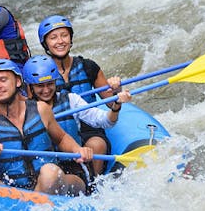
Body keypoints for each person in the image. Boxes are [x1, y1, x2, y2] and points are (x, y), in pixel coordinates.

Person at [0, 59, 93, 196]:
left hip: (52, 184)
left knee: (50, 172)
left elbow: (62, 138)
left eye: (3, 79)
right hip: (14, 193)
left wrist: (77, 149)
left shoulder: (41, 109)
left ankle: (34, 204)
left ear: (17, 81)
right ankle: (29, 205)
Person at [22, 55, 131, 187]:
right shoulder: (23, 110)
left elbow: (105, 121)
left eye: (50, 84)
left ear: (55, 82)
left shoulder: (71, 100)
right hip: (41, 170)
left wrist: (116, 106)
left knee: (56, 178)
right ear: (30, 87)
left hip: (73, 168)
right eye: (40, 86)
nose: (46, 90)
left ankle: (91, 187)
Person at [38, 14, 125, 175]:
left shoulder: (88, 67)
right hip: (58, 128)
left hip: (89, 127)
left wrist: (116, 91)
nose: (60, 41)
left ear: (71, 39)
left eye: (64, 35)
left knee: (97, 145)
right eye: (53, 38)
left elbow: (111, 103)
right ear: (46, 44)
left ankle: (93, 184)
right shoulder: (40, 73)